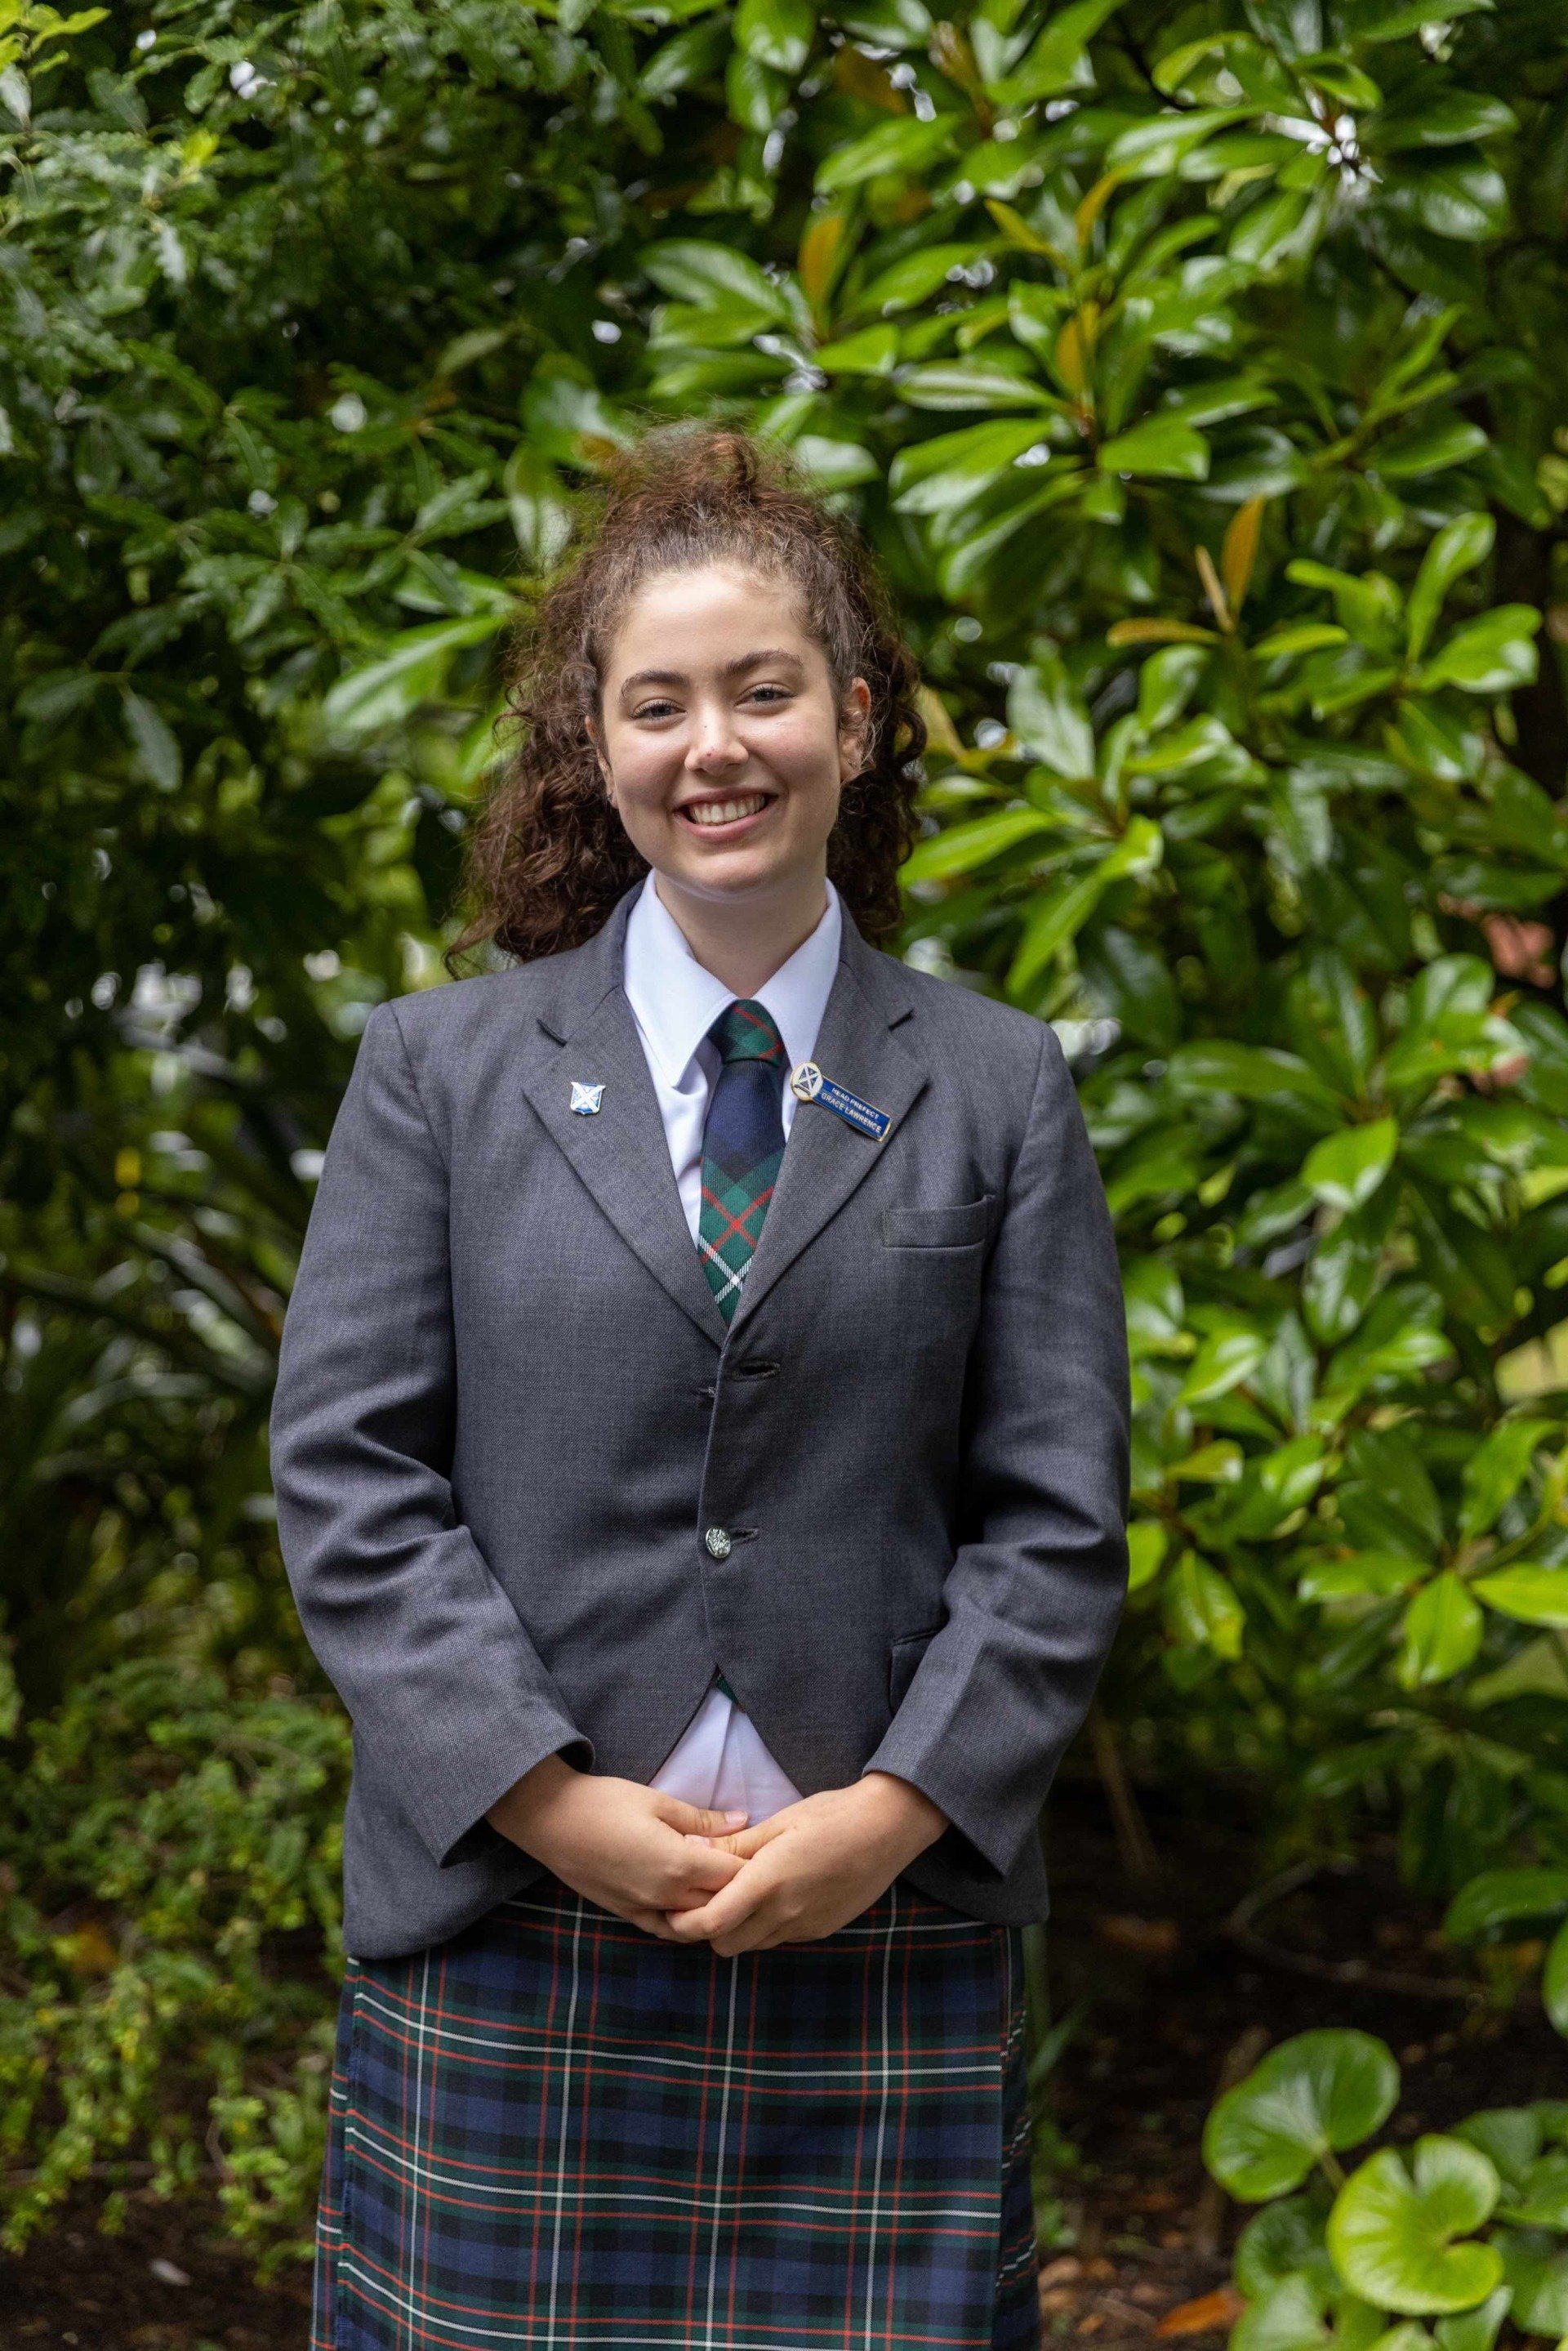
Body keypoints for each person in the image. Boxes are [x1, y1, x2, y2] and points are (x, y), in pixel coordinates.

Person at [269, 424, 1131, 2351]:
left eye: (763, 688)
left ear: (856, 708)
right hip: (516, 1929)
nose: (713, 745)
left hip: (882, 1937)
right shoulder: (440, 1073)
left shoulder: (999, 1089)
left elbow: (1056, 1521)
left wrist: (897, 1809)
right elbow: (348, 1477)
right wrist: (546, 1798)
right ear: (600, 739)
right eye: (658, 703)